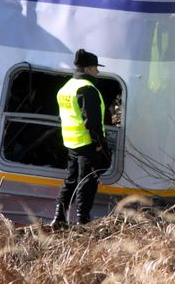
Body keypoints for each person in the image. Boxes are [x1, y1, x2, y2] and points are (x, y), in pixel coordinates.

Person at [50, 49, 111, 228]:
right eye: (95, 68)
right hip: (87, 144)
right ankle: (82, 221)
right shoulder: (87, 89)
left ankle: (59, 218)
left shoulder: (66, 88)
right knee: (87, 182)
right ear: (88, 68)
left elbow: (63, 117)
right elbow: (91, 121)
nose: (98, 72)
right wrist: (99, 144)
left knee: (70, 180)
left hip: (71, 143)